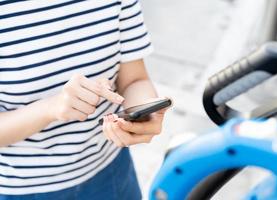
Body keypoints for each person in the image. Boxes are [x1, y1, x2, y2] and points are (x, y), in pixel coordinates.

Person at [0, 0, 169, 199]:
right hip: (24, 190)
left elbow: (134, 79)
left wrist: (144, 112)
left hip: (111, 171)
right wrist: (50, 108)